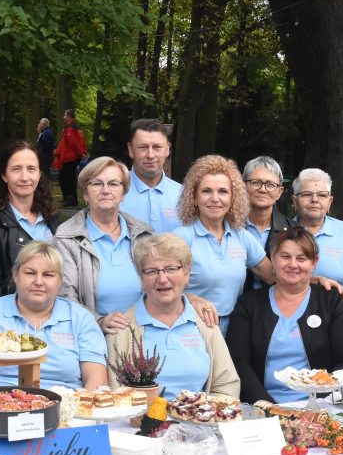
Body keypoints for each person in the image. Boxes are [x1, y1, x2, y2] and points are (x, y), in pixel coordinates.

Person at [0, 242, 108, 418]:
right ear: (15, 275)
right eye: (30, 273)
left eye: (48, 275)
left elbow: (96, 379)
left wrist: (72, 417)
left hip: (62, 418)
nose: (38, 281)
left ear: (60, 281)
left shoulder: (80, 319)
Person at [227, 227, 343, 404]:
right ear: (273, 258)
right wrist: (266, 406)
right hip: (263, 406)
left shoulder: (333, 302)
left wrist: (321, 403)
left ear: (314, 263)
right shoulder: (250, 305)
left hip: (323, 406)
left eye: (302, 258)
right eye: (285, 257)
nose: (293, 264)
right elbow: (239, 361)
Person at [105, 234, 240, 397]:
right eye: (152, 271)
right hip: (141, 420)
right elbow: (116, 395)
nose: (162, 279)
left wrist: (204, 415)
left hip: (199, 419)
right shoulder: (122, 329)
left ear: (187, 274)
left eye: (171, 269)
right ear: (141, 278)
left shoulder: (204, 321)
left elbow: (226, 385)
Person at [172, 155, 274, 333]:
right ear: (194, 197)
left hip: (235, 327)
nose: (215, 198)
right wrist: (187, 297)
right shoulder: (181, 238)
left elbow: (273, 276)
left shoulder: (241, 236)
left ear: (233, 198)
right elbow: (157, 287)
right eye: (206, 191)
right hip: (192, 326)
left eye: (223, 191)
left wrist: (316, 280)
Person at [54, 156, 154, 333]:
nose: (105, 190)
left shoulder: (143, 235)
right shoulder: (66, 237)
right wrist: (98, 321)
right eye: (97, 183)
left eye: (114, 184)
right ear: (85, 193)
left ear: (123, 193)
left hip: (144, 333)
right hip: (91, 335)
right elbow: (65, 297)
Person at [0, 141, 59, 301]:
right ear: (4, 175)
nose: (25, 177)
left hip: (53, 310)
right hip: (12, 316)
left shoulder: (51, 217)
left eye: (31, 169)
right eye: (16, 169)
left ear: (39, 174)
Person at [290, 167, 343, 315]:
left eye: (322, 195)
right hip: (293, 323)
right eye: (306, 194)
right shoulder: (283, 233)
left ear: (330, 202)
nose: (314, 200)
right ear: (294, 200)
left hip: (342, 323)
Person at [120, 118, 182, 232]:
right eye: (143, 147)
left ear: (167, 149)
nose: (150, 155)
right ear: (131, 150)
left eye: (157, 147)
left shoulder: (183, 195)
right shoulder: (113, 191)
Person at [242, 155, 290, 290]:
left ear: (279, 192)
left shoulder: (294, 231)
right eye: (256, 182)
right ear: (243, 186)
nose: (263, 189)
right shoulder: (227, 227)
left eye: (270, 185)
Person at [53, 109, 87, 208]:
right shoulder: (77, 128)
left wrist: (81, 153)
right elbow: (80, 142)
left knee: (66, 179)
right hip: (71, 157)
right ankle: (70, 200)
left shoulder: (71, 129)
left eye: (65, 115)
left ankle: (69, 200)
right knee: (68, 178)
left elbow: (73, 143)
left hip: (70, 158)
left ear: (69, 116)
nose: (63, 117)